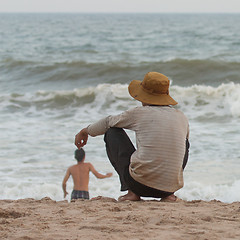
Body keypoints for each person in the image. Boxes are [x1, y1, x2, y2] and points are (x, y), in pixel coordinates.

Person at [75, 72, 190, 202]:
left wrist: (85, 131)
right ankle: (169, 195)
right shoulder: (181, 117)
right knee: (184, 143)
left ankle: (131, 192)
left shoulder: (138, 113)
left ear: (144, 96)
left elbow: (108, 122)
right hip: (168, 188)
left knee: (112, 132)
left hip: (139, 185)